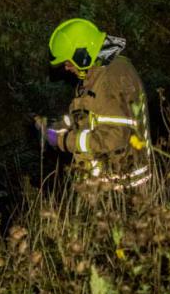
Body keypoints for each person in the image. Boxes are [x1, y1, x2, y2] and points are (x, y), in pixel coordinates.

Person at [37, 18, 152, 191]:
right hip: (104, 185)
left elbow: (112, 138)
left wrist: (62, 140)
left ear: (82, 55)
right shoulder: (95, 75)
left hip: (122, 189)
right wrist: (56, 126)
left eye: (68, 61)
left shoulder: (111, 78)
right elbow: (88, 116)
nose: (67, 68)